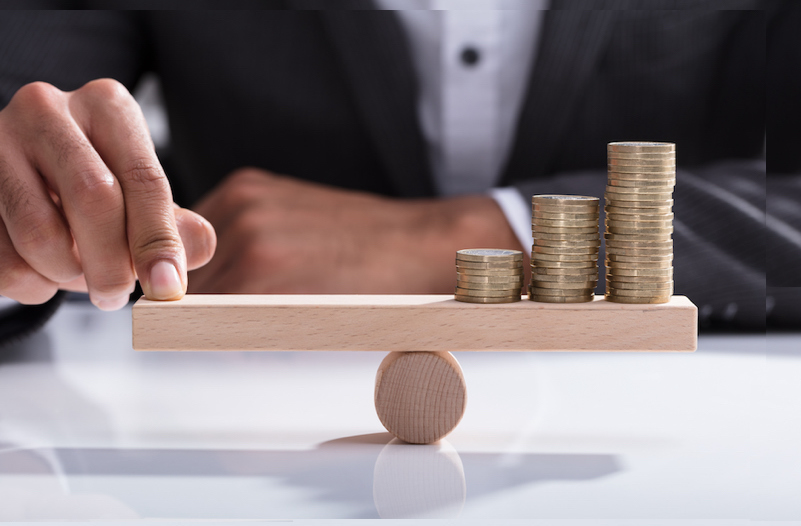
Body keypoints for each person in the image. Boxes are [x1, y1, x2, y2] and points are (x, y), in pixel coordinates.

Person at [0, 2, 796, 343]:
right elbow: (25, 121)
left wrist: (459, 236)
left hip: (682, 450)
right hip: (243, 424)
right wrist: (22, 225)